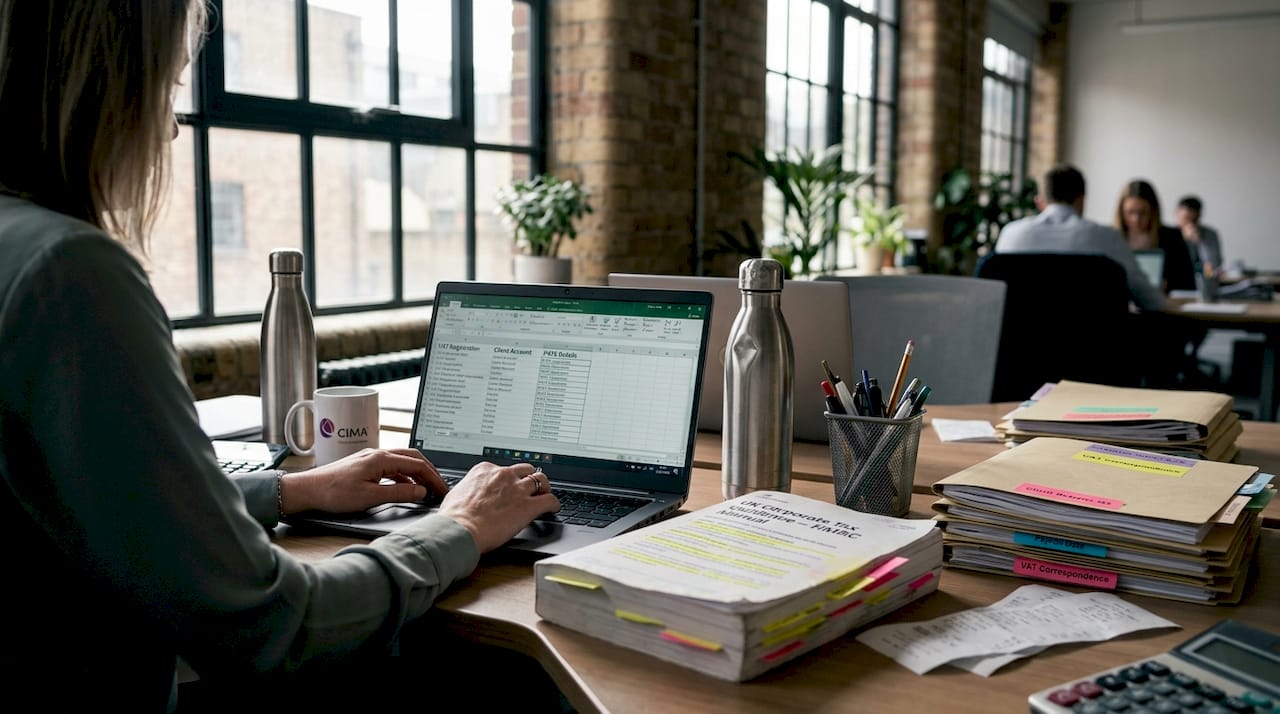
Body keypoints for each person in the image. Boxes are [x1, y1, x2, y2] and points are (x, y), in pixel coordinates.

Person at [0, 1, 561, 709]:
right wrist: (461, 526)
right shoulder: (68, 273)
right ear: (103, 87)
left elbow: (108, 504)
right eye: (169, 89)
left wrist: (296, 490)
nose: (170, 128)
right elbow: (277, 626)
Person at [993, 164, 1167, 311]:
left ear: (1040, 202)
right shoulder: (1107, 238)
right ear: (1082, 199)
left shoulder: (1010, 234)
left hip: (1018, 340)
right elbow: (1152, 302)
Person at [1113, 179, 1197, 293]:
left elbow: (1188, 283)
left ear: (1153, 211)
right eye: (1130, 212)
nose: (1136, 219)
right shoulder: (1110, 238)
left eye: (1143, 212)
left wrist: (1168, 286)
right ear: (1121, 212)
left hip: (1164, 302)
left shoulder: (1172, 237)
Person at [1176, 195, 1224, 276]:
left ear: (1199, 216)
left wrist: (1199, 242)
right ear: (1177, 214)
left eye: (1193, 220)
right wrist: (1184, 240)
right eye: (1186, 218)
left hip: (1205, 280)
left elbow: (1214, 265)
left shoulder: (1210, 234)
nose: (1190, 224)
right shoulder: (1168, 235)